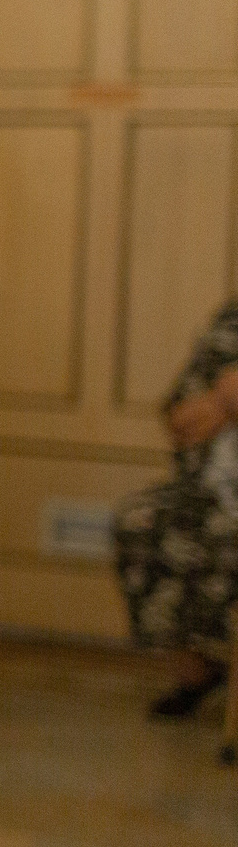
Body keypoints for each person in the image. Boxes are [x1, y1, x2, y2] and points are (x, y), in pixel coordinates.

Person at [114, 299, 238, 720]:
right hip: (216, 488)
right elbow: (181, 420)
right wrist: (223, 402)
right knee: (140, 521)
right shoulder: (231, 321)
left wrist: (229, 401)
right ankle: (197, 675)